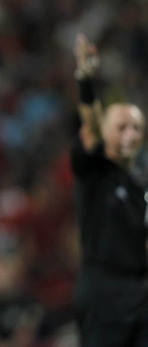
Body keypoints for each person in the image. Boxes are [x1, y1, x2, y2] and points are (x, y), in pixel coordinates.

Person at [71, 33, 148, 347]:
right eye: (121, 127)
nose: (130, 134)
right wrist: (86, 82)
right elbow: (90, 127)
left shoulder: (140, 185)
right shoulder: (96, 173)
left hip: (140, 294)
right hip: (103, 292)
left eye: (136, 128)